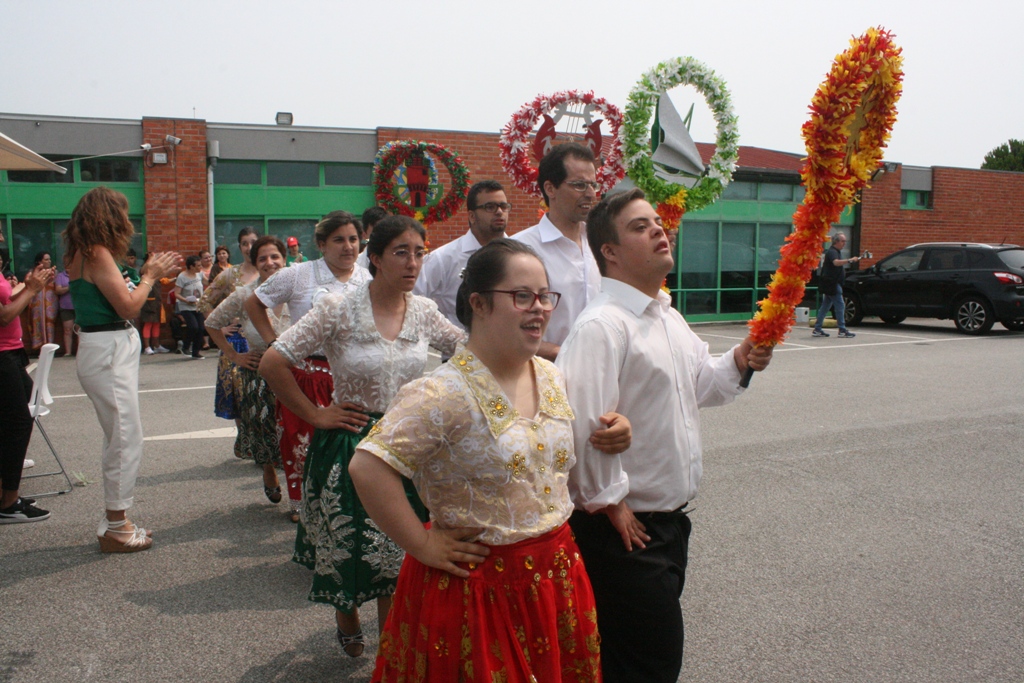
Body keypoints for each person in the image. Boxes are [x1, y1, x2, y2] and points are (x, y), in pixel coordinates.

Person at [350, 238, 634, 681]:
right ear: (478, 303)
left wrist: (617, 428)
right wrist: (421, 544)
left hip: (556, 574)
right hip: (476, 589)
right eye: (522, 296)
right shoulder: (441, 392)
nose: (539, 308)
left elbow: (557, 451)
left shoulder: (551, 375)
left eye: (545, 296)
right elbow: (368, 466)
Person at [556, 189, 773, 682]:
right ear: (608, 251)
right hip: (625, 532)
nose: (659, 229)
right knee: (649, 663)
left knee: (627, 660)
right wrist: (612, 502)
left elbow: (703, 386)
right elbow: (581, 425)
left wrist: (740, 359)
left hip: (667, 526)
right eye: (639, 226)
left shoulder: (667, 316)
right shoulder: (603, 327)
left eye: (657, 221)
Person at [259, 215, 464, 656]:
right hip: (352, 446)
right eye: (401, 253)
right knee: (351, 553)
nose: (413, 263)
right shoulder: (337, 307)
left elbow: (471, 355)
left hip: (409, 447)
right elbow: (274, 362)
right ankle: (347, 616)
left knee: (401, 554)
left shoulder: (425, 312)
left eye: (420, 253)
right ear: (376, 258)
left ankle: (393, 653)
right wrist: (316, 414)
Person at [63, 186, 180, 552]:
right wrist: (149, 275)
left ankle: (116, 518)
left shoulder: (82, 252)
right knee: (126, 437)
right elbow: (129, 307)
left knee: (118, 436)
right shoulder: (96, 253)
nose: (128, 222)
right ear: (110, 217)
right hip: (108, 350)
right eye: (124, 214)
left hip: (104, 348)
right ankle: (116, 523)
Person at [245, 211, 371, 520]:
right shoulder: (299, 274)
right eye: (338, 240)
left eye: (353, 239)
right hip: (307, 374)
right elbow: (253, 302)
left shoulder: (368, 278)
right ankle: (305, 509)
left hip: (354, 378)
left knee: (350, 448)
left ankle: (344, 507)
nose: (348, 247)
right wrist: (274, 342)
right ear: (321, 243)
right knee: (303, 444)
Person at [205, 236, 289, 505]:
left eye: (275, 256)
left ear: (284, 259)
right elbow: (212, 322)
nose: (270, 262)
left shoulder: (299, 292)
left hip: (297, 374)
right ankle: (267, 470)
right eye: (262, 258)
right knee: (265, 429)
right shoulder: (244, 294)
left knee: (297, 435)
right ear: (255, 262)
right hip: (260, 373)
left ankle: (298, 494)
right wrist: (234, 355)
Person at [511, 143, 602, 361]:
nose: (590, 194)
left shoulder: (603, 243)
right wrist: (565, 354)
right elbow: (505, 328)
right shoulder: (521, 250)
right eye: (580, 185)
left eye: (593, 185)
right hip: (544, 377)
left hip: (603, 372)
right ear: (550, 189)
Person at [0, 261, 55, 523]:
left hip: (10, 352)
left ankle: (6, 492)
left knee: (19, 419)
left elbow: (8, 300)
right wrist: (32, 290)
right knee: (17, 423)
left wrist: (28, 286)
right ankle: (8, 502)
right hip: (2, 357)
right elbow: (4, 315)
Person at [414, 179, 510, 327]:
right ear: (472, 216)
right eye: (490, 207)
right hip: (460, 346)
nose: (499, 212)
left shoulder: (519, 254)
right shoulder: (444, 258)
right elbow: (413, 300)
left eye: (503, 206)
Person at [200, 228, 260, 456]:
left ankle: (263, 439)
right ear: (240, 247)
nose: (249, 247)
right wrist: (220, 326)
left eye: (253, 242)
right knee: (239, 394)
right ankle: (244, 437)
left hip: (263, 341)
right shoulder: (229, 275)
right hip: (237, 343)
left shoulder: (272, 271)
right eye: (244, 243)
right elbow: (204, 301)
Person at [813, 232, 860, 338]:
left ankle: (817, 328)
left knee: (825, 306)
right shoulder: (832, 252)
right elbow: (836, 263)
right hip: (832, 283)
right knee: (840, 305)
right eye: (843, 241)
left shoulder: (836, 251)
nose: (844, 243)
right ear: (836, 241)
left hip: (832, 283)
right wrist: (849, 260)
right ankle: (842, 330)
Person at [26, 251, 58, 354]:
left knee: (50, 323)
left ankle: (50, 348)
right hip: (36, 303)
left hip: (50, 302)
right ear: (40, 261)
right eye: (46, 259)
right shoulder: (33, 273)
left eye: (49, 259)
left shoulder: (54, 273)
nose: (49, 261)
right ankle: (40, 348)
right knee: (37, 323)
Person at [174, 255, 205, 359]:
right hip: (186, 306)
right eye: (198, 265)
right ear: (191, 266)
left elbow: (207, 283)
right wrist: (186, 300)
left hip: (198, 305)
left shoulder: (199, 274)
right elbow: (177, 293)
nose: (200, 267)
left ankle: (196, 352)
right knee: (193, 327)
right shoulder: (182, 277)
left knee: (201, 328)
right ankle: (185, 345)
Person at [140, 253, 170, 355]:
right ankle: (147, 347)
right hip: (148, 302)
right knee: (148, 324)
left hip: (157, 302)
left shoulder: (156, 272)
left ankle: (156, 345)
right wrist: (150, 259)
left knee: (156, 324)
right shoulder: (145, 271)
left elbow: (164, 280)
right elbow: (143, 270)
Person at [53, 268, 76, 356]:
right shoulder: (60, 276)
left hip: (78, 306)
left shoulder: (78, 273)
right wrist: (70, 287)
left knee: (79, 330)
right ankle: (68, 352)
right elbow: (58, 290)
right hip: (65, 307)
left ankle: (80, 351)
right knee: (67, 330)